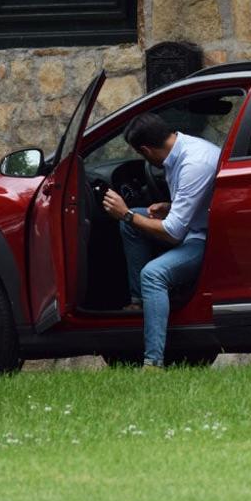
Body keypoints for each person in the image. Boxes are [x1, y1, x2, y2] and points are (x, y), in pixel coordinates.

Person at [101, 112, 220, 368]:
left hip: (206, 240)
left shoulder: (193, 164)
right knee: (132, 225)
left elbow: (173, 233)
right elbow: (197, 204)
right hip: (194, 226)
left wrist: (126, 214)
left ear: (145, 149)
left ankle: (153, 363)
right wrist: (170, 207)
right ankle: (139, 302)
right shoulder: (182, 147)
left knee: (152, 274)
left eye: (141, 154)